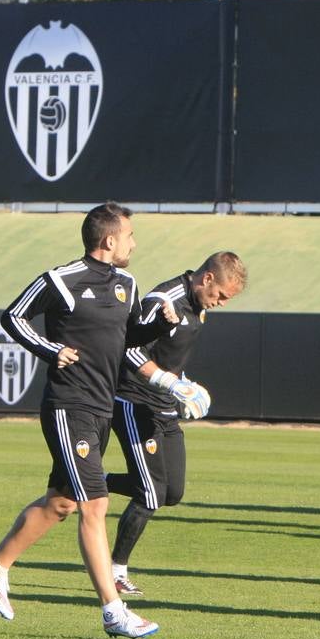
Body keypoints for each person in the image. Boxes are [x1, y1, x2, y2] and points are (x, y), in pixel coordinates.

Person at [0, 203, 195, 638]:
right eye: (129, 235)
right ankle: (114, 611)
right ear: (109, 240)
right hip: (66, 405)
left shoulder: (127, 283)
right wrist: (50, 349)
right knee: (95, 505)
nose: (133, 242)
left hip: (100, 408)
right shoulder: (61, 279)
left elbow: (129, 340)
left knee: (62, 503)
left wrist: (160, 327)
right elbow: (13, 317)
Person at [106, 251, 247, 596]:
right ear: (208, 279)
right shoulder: (163, 300)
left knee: (172, 492)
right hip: (133, 400)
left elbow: (168, 356)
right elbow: (130, 350)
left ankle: (85, 479)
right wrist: (169, 383)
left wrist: (184, 385)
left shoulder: (198, 305)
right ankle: (114, 572)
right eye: (221, 296)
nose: (222, 304)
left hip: (164, 405)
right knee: (151, 494)